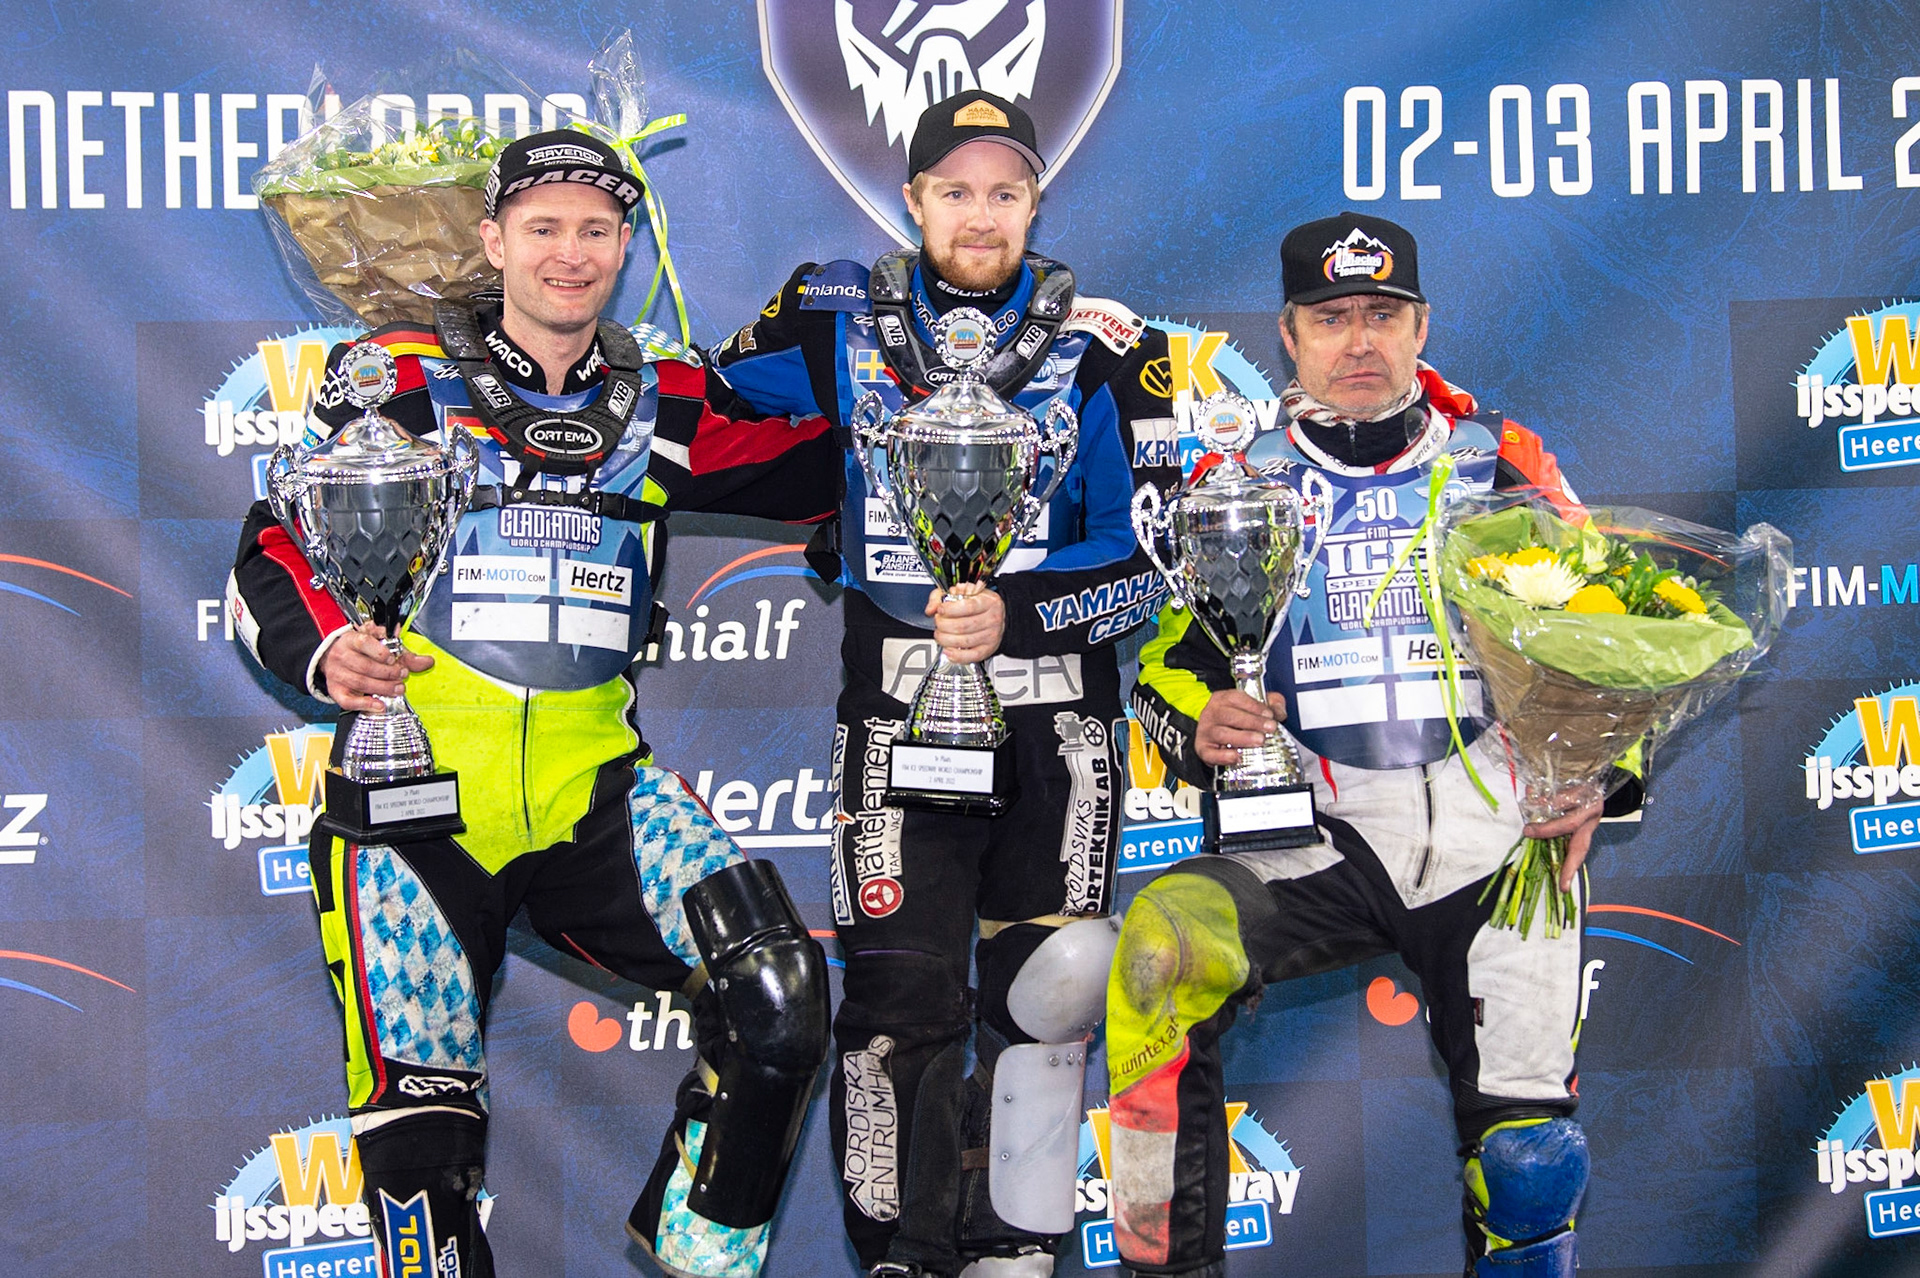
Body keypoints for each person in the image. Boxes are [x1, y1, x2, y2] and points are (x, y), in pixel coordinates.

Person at [230, 130, 842, 1278]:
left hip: (591, 797)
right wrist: (327, 652)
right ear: (493, 238)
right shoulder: (403, 378)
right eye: (545, 227)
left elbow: (833, 464)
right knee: (421, 1158)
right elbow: (273, 544)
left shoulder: (662, 396)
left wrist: (864, 351)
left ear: (626, 250)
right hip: (412, 818)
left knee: (778, 994)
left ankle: (699, 1244)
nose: (571, 255)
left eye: (597, 231)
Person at [1107, 212, 1640, 1278]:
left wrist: (1598, 772)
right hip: (1321, 837)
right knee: (1160, 953)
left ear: (1421, 325)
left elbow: (1616, 629)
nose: (1360, 341)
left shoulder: (1501, 461)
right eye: (1332, 317)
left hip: (1500, 840)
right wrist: (1197, 719)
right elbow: (1169, 662)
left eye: (1383, 316)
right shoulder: (1234, 479)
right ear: (1289, 334)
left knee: (1531, 1163)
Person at [710, 90, 1180, 1278]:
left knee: (1051, 993)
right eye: (956, 191)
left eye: (1005, 192)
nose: (981, 216)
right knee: (893, 1007)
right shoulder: (840, 319)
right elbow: (720, 406)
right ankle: (903, 1256)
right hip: (896, 711)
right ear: (911, 199)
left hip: (1058, 723)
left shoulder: (1116, 349)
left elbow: (1151, 564)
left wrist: (1016, 609)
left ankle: (1016, 1252)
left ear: (1037, 199)